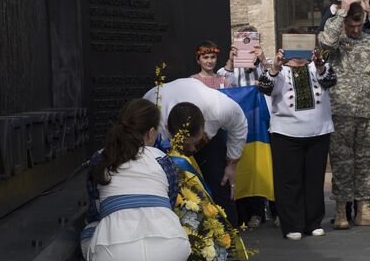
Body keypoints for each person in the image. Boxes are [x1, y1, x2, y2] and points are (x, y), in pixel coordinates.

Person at [81, 99, 191, 261]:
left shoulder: (101, 157)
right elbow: (170, 201)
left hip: (114, 254)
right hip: (172, 249)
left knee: (90, 229)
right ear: (152, 133)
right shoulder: (161, 159)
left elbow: (94, 211)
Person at [318, 0, 370, 229]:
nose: (355, 29)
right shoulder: (335, 41)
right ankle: (341, 212)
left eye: (359, 25)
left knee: (366, 163)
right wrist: (341, 12)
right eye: (351, 25)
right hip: (340, 113)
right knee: (341, 164)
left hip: (368, 114)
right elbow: (325, 42)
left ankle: (363, 211)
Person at [143, 78, 248, 225]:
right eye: (187, 145)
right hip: (164, 139)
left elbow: (239, 125)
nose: (192, 150)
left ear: (204, 124)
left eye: (196, 143)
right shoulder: (155, 119)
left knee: (220, 182)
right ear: (168, 128)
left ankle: (229, 236)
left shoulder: (220, 108)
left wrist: (232, 163)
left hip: (208, 136)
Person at [258, 46, 336, 240]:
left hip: (318, 132)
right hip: (286, 133)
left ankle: (313, 222)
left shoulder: (318, 67)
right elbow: (265, 87)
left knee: (314, 180)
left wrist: (319, 64)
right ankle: (292, 224)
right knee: (288, 181)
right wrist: (275, 67)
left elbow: (331, 81)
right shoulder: (280, 72)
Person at [218, 25, 270, 228]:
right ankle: (241, 213)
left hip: (258, 123)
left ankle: (258, 212)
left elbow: (275, 78)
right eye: (243, 41)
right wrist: (231, 60)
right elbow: (225, 84)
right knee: (239, 164)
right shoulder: (229, 68)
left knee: (257, 165)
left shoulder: (265, 65)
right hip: (236, 125)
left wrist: (263, 59)